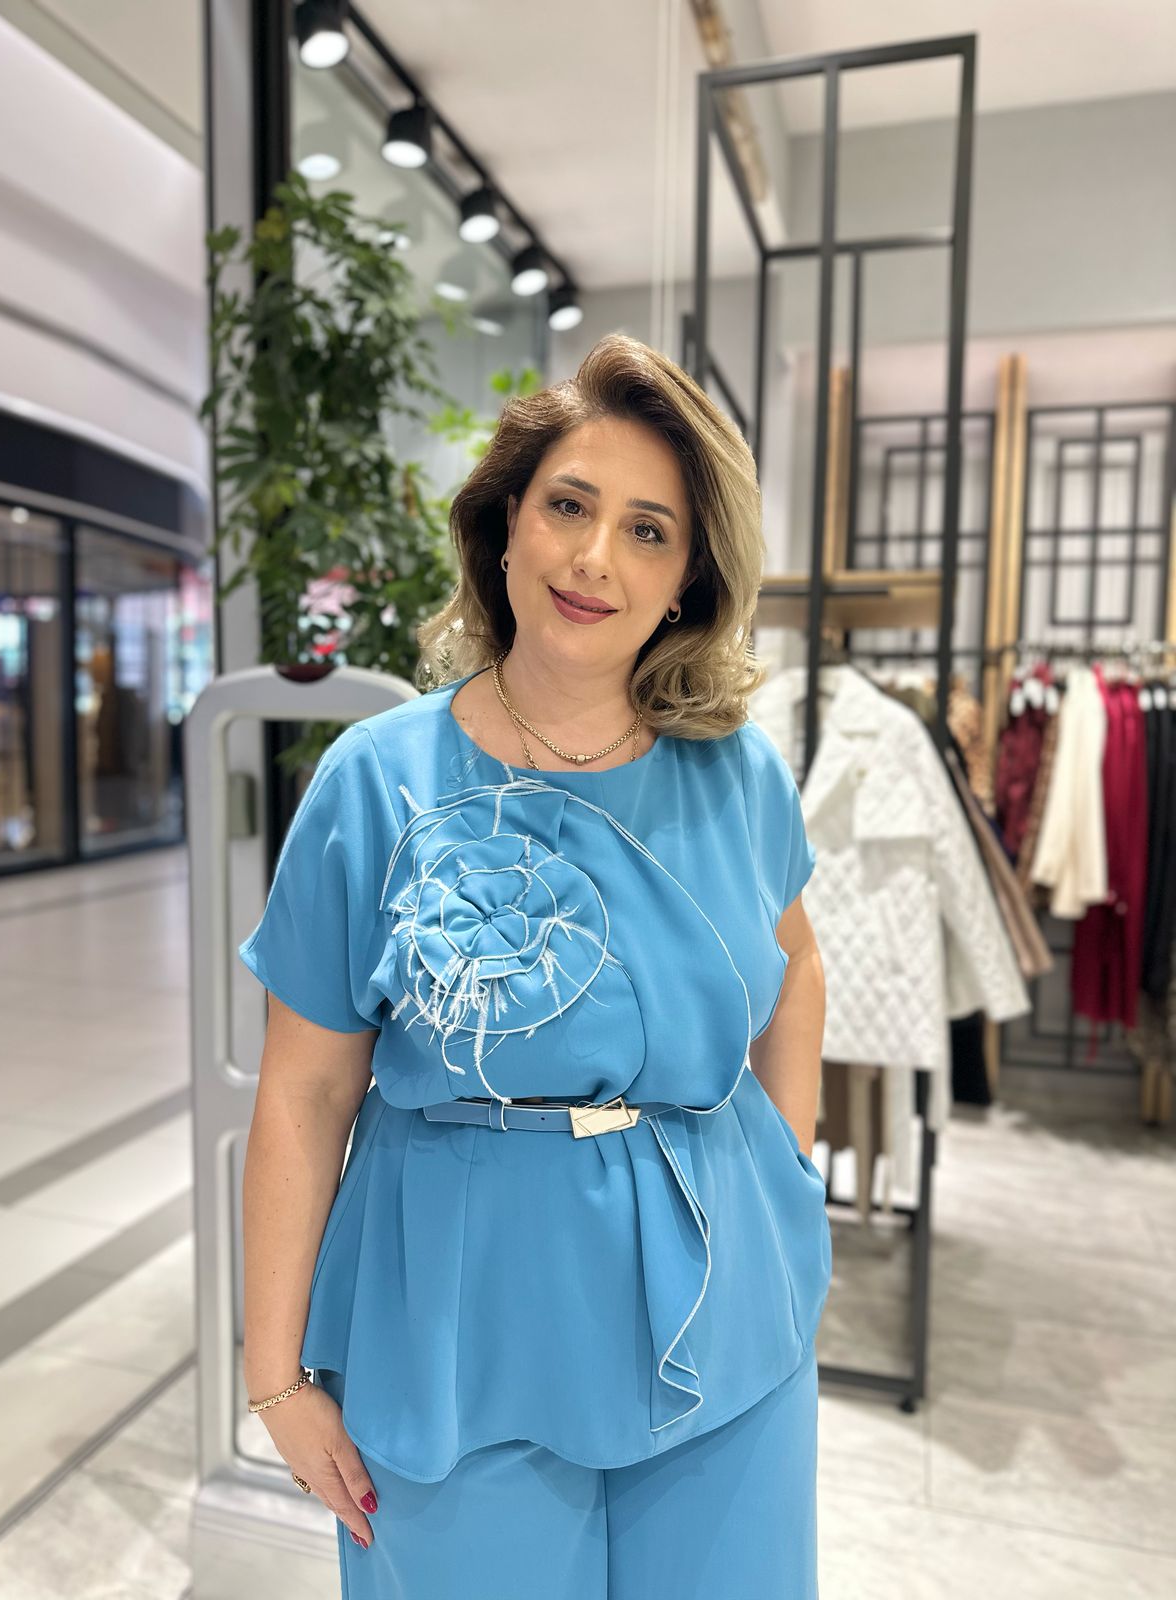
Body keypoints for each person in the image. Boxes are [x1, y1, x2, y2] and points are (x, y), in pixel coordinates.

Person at [237, 333, 831, 1598]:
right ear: (505, 524)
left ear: (687, 578)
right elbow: (305, 1089)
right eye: (569, 505)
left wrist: (781, 1171)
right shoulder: (375, 781)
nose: (595, 557)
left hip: (727, 1303)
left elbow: (794, 966)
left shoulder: (739, 774)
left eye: (649, 530)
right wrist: (275, 1374)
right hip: (457, 1319)